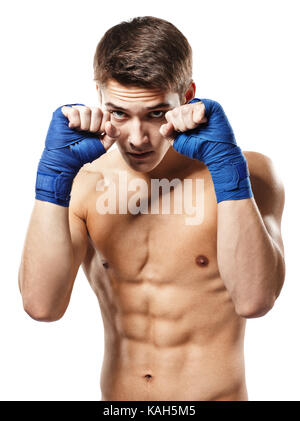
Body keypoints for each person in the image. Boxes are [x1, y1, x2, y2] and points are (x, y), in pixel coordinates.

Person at [18, 16, 285, 401]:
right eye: (120, 113)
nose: (137, 138)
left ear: (188, 96)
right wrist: (51, 182)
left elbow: (255, 299)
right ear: (99, 97)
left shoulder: (246, 172)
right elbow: (42, 306)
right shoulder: (82, 181)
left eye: (156, 113)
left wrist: (228, 173)